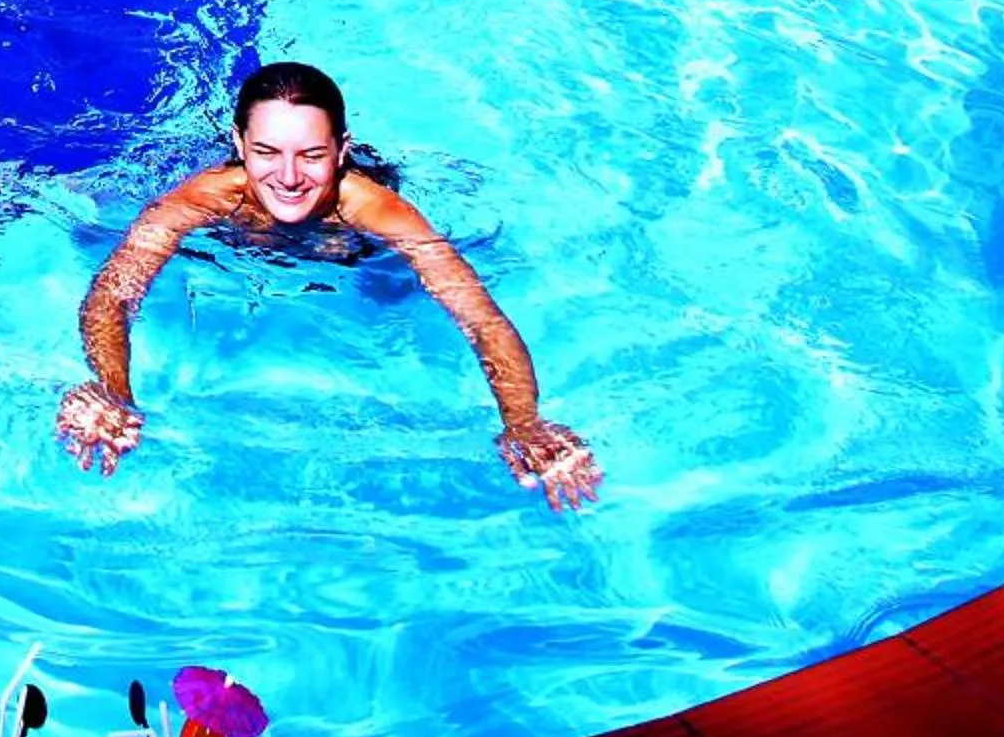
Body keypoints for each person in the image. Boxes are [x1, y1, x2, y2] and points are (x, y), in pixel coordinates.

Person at [54, 61, 600, 511]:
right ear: (240, 146)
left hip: (351, 255)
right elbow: (114, 295)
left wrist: (524, 422)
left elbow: (480, 319)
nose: (288, 177)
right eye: (267, 152)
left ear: (342, 151)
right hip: (239, 244)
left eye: (312, 156)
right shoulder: (205, 197)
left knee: (388, 290)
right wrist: (113, 390)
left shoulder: (376, 209)